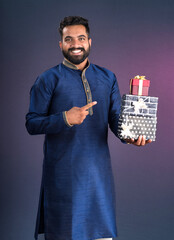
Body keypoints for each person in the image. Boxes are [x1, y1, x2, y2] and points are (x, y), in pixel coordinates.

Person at [26, 16, 151, 240]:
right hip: (63, 176)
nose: (76, 44)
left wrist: (130, 136)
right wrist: (64, 118)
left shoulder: (107, 77)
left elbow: (114, 119)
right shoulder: (47, 79)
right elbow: (32, 123)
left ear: (90, 42)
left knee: (102, 235)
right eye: (69, 39)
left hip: (99, 175)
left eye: (81, 38)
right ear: (61, 44)